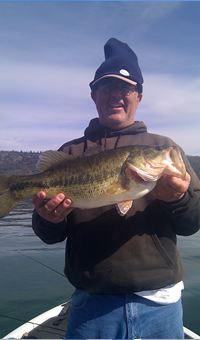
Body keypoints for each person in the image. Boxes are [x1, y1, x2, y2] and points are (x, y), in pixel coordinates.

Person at [32, 38, 200, 339]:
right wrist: (48, 219)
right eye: (107, 87)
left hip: (160, 304)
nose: (117, 95)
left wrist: (178, 200)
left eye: (126, 87)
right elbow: (50, 235)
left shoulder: (165, 148)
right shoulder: (69, 154)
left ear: (139, 96)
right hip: (91, 307)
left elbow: (193, 223)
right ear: (94, 95)